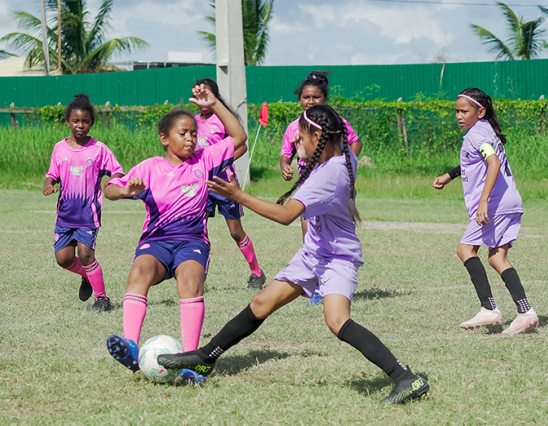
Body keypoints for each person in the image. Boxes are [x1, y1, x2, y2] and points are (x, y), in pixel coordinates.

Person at [158, 105, 430, 404]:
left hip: (337, 257)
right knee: (262, 302)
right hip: (315, 252)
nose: (297, 143)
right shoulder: (342, 156)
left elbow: (286, 215)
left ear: (318, 135)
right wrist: (303, 155)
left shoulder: (328, 174)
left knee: (337, 321)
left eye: (300, 138)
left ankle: (405, 378)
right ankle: (206, 357)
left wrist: (238, 195)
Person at [103, 84, 247, 381]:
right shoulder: (150, 167)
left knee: (191, 280)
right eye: (183, 133)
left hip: (192, 241)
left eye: (194, 133)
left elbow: (239, 137)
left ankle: (190, 361)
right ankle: (131, 348)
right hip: (156, 241)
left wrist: (215, 103)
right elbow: (109, 190)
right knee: (139, 272)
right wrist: (125, 190)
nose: (191, 138)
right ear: (164, 138)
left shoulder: (205, 160)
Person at [432, 88, 538, 336]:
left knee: (465, 249)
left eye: (464, 111)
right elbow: (476, 160)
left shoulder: (476, 134)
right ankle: (525, 312)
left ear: (480, 111)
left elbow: (493, 163)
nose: (458, 116)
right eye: (456, 111)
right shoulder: (486, 131)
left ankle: (489, 308)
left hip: (495, 205)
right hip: (511, 201)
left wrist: (483, 202)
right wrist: (450, 175)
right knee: (497, 258)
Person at [279, 70, 364, 305]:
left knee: (336, 230)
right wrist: (285, 166)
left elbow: (355, 142)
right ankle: (317, 281)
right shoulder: (294, 127)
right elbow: (285, 155)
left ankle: (336, 277)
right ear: (299, 99)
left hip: (331, 186)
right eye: (306, 97)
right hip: (309, 184)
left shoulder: (333, 122)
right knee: (309, 234)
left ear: (324, 99)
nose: (310, 101)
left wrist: (345, 166)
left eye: (315, 97)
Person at [43, 93, 124, 312]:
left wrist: (113, 182)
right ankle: (86, 277)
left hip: (88, 215)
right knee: (63, 259)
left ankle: (102, 299)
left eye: (85, 121)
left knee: (86, 255)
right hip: (65, 214)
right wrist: (48, 183)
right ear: (68, 122)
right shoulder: (60, 148)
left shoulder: (99, 149)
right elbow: (52, 173)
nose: (80, 125)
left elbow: (116, 171)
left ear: (91, 123)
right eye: (76, 121)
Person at [192, 78, 266, 291]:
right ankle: (199, 277)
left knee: (235, 232)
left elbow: (242, 146)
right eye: (198, 97)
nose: (202, 101)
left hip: (225, 184)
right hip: (202, 185)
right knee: (200, 231)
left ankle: (256, 272)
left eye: (206, 95)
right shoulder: (192, 122)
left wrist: (223, 163)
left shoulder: (223, 120)